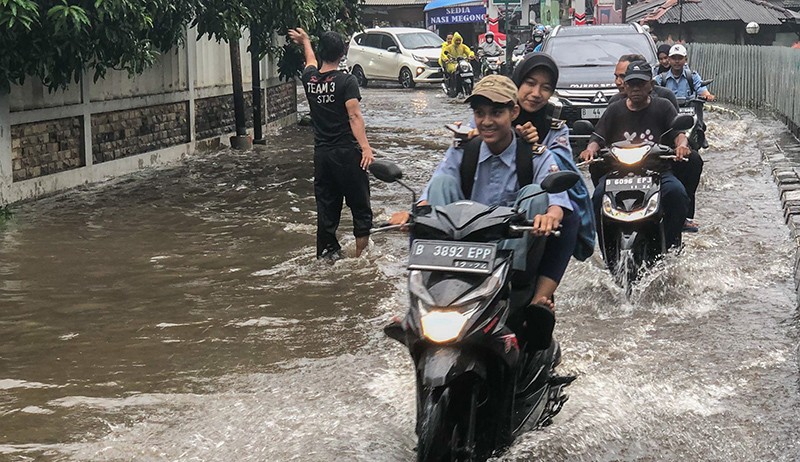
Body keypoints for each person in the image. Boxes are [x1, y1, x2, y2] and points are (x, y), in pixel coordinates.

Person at [389, 75, 572, 315]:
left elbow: (558, 203)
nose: (486, 122)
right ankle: (417, 300)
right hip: (460, 254)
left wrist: (550, 216)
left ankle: (527, 300)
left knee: (535, 193)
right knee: (443, 184)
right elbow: (432, 193)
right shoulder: (462, 151)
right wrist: (411, 215)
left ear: (514, 113)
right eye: (480, 113)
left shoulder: (536, 155)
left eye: (496, 113)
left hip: (509, 262)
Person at [579, 61, 691, 250]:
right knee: (597, 197)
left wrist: (681, 146)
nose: (636, 88)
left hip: (656, 171)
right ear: (625, 86)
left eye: (641, 83)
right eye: (631, 84)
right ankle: (605, 247)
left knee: (677, 194)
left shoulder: (663, 106)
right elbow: (598, 135)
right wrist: (590, 149)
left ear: (651, 85)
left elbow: (678, 134)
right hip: (619, 173)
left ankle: (671, 245)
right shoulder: (615, 109)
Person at [289, 28, 374, 262]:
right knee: (361, 210)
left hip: (323, 157)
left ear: (322, 52)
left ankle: (326, 260)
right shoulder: (347, 81)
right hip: (347, 154)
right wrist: (366, 148)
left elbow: (310, 61)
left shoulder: (310, 79)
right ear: (342, 53)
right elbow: (354, 116)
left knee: (326, 211)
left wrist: (305, 41)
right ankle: (362, 261)